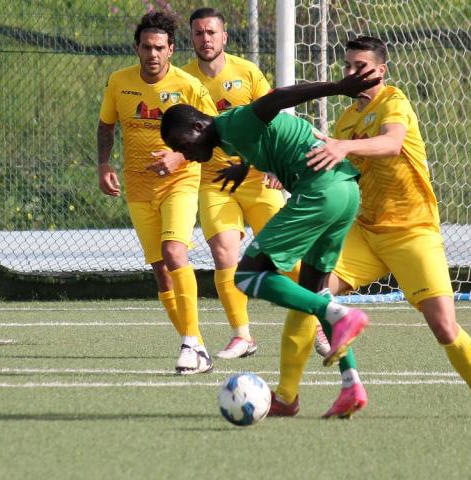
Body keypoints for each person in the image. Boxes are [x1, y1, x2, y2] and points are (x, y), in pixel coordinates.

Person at [271, 36, 471, 419]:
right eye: (347, 66)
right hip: (365, 233)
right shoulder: (346, 120)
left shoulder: (394, 101)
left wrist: (343, 147)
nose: (351, 73)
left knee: (444, 328)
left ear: (380, 70)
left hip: (412, 231)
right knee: (306, 294)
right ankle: (286, 398)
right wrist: (290, 171)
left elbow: (391, 143)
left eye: (360, 66)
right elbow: (339, 174)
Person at [160, 65, 382, 373]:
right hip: (345, 190)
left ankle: (339, 315)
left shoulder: (235, 124)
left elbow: (278, 98)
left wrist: (338, 87)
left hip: (320, 190)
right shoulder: (228, 134)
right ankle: (351, 384)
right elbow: (262, 135)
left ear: (198, 125)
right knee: (316, 289)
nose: (184, 154)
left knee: (247, 276)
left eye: (182, 145)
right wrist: (244, 166)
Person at [97, 11, 219, 375]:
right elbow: (106, 126)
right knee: (160, 272)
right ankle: (196, 346)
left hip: (180, 182)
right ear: (137, 48)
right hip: (137, 186)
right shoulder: (119, 82)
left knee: (174, 252)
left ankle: (189, 344)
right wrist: (104, 165)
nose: (153, 54)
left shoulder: (188, 85)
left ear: (171, 50)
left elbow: (214, 131)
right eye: (147, 47)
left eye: (160, 48)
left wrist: (179, 157)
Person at [182, 7, 295, 359]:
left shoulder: (246, 73)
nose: (206, 39)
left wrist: (278, 164)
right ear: (192, 38)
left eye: (212, 32)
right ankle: (242, 335)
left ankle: (317, 322)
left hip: (260, 177)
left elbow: (273, 116)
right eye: (199, 33)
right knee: (223, 253)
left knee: (285, 254)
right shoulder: (183, 79)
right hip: (214, 182)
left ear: (225, 37)